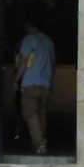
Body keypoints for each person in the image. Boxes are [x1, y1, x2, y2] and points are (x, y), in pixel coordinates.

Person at [13, 22, 56, 155]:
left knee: (30, 114)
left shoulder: (29, 39)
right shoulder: (49, 41)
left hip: (31, 82)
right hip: (45, 84)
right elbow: (53, 63)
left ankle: (39, 144)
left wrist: (16, 79)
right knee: (41, 113)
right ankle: (41, 142)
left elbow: (24, 61)